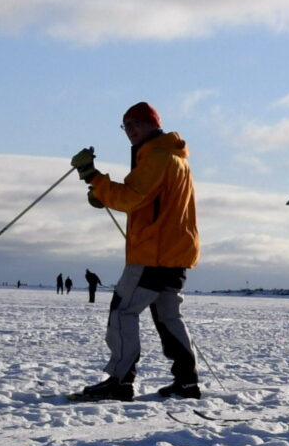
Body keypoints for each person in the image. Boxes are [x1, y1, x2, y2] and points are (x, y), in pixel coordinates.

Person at [66, 102, 202, 402]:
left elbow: (132, 197)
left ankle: (119, 380)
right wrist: (104, 194)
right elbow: (148, 202)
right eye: (125, 125)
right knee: (169, 317)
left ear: (153, 124)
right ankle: (187, 381)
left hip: (153, 253)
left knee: (122, 310)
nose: (130, 130)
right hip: (175, 253)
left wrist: (93, 177)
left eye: (136, 123)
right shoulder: (174, 157)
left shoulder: (156, 156)